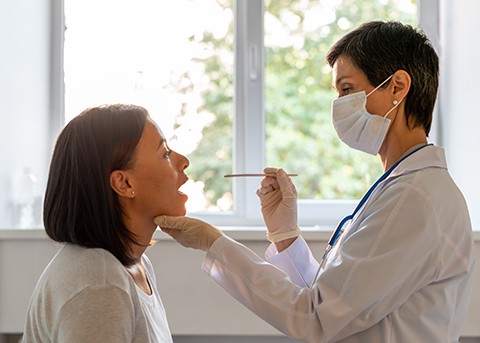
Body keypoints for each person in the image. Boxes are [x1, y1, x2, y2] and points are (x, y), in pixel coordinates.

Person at [154, 21, 476, 342]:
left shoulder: (415, 198)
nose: (338, 106)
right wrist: (285, 235)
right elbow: (332, 299)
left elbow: (317, 318)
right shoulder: (402, 189)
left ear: (397, 87)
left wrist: (213, 242)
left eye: (347, 90)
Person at [23, 104, 190, 342]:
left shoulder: (133, 265)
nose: (184, 161)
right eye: (165, 153)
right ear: (124, 184)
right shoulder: (100, 284)